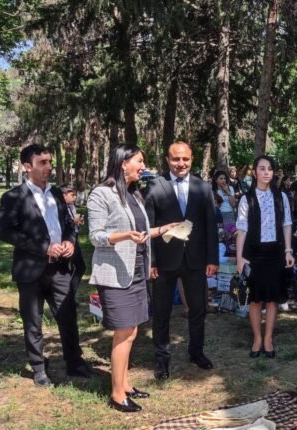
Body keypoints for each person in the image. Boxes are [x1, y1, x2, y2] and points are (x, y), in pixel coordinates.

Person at [87, 144, 178, 413]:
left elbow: (142, 233)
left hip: (137, 270)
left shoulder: (134, 194)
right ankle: (117, 395)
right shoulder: (101, 193)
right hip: (115, 273)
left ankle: (125, 384)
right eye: (139, 161)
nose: (143, 166)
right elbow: (95, 236)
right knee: (124, 331)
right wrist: (125, 236)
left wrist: (163, 229)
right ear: (123, 163)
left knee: (133, 330)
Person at [0, 144, 92, 387]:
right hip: (31, 269)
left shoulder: (57, 194)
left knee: (68, 316)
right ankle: (38, 367)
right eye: (43, 163)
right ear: (27, 166)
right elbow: (6, 232)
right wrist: (43, 247)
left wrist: (70, 241)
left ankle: (75, 362)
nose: (49, 167)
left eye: (50, 162)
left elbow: (68, 223)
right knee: (33, 320)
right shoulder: (13, 197)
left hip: (60, 268)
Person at [144, 141, 219, 380]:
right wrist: (151, 262)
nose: (181, 163)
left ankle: (196, 352)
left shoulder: (203, 187)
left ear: (192, 159)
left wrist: (212, 258)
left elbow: (210, 225)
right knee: (162, 311)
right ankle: (162, 359)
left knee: (198, 309)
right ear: (168, 160)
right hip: (164, 261)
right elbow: (148, 227)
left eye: (185, 159)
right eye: (176, 159)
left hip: (195, 259)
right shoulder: (155, 186)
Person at [235, 155, 295, 359]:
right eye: (262, 168)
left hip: (275, 253)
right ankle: (257, 338)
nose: (266, 172)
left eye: (269, 168)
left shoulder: (281, 197)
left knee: (272, 299)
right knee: (255, 299)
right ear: (255, 172)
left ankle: (268, 338)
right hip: (253, 254)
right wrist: (240, 258)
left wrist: (288, 250)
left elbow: (287, 224)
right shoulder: (246, 198)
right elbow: (241, 229)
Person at [61, 185, 86, 291]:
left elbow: (72, 223)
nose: (75, 197)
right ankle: (67, 293)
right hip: (65, 241)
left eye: (76, 195)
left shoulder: (71, 207)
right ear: (64, 195)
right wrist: (73, 222)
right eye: (72, 195)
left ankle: (71, 291)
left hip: (74, 238)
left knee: (81, 266)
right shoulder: (59, 208)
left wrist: (78, 223)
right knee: (67, 269)